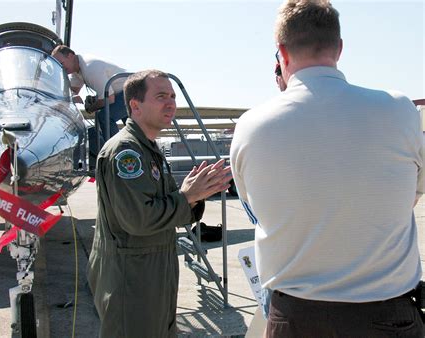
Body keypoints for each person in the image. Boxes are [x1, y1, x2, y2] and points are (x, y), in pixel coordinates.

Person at [230, 1, 424, 337]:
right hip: (386, 315)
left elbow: (255, 205)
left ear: (282, 53)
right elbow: (414, 190)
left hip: (295, 317)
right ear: (339, 48)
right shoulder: (399, 109)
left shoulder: (251, 126)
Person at [87, 69, 232, 337]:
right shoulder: (126, 153)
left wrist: (194, 195)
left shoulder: (148, 150)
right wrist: (187, 196)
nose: (171, 103)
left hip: (152, 275)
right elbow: (140, 219)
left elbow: (165, 209)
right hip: (132, 280)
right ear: (135, 106)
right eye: (161, 96)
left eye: (173, 97)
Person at [51, 45, 128, 156]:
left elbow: (109, 99)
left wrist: (91, 108)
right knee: (134, 128)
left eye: (62, 64)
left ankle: (116, 153)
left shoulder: (90, 68)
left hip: (131, 92)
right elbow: (73, 91)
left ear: (70, 56)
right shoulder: (77, 70)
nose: (61, 69)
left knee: (105, 116)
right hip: (125, 93)